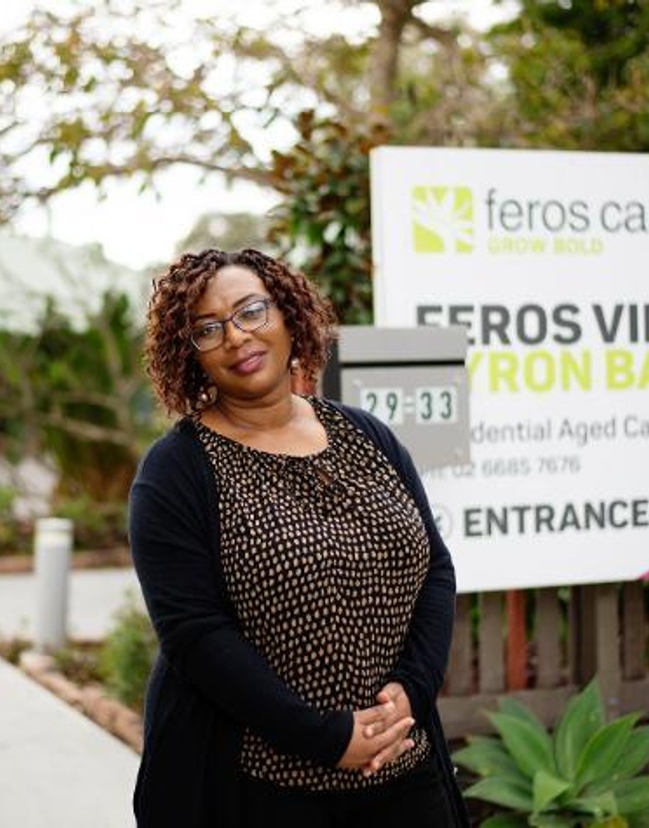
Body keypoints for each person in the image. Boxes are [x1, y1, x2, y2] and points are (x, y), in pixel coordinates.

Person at [129, 248, 469, 827]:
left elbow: (434, 568)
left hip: (400, 764)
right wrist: (328, 737)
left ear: (287, 315)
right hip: (255, 787)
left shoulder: (366, 435)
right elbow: (194, 633)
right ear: (190, 355)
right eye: (208, 329)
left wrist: (412, 691)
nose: (236, 336)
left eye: (250, 311)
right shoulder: (175, 472)